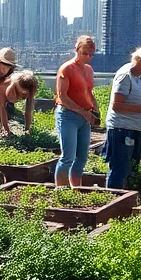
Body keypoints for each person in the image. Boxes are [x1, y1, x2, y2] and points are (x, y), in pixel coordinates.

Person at [103, 43, 141, 190]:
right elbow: (117, 105)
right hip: (122, 128)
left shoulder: (137, 77)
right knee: (119, 168)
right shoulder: (125, 75)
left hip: (133, 128)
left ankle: (123, 197)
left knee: (130, 168)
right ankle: (114, 197)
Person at [54, 36, 101, 187]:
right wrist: (83, 112)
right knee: (68, 157)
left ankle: (76, 188)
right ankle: (61, 190)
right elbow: (62, 96)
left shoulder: (88, 69)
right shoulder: (67, 68)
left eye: (91, 54)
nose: (88, 57)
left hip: (84, 116)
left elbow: (88, 92)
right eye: (85, 53)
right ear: (77, 49)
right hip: (68, 115)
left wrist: (95, 109)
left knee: (82, 157)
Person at [0, 70, 39, 135]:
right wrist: (6, 129)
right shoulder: (2, 85)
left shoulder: (31, 85)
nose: (25, 94)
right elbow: (2, 107)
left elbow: (28, 107)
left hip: (11, 92)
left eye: (26, 93)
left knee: (10, 113)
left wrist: (27, 129)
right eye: (23, 93)